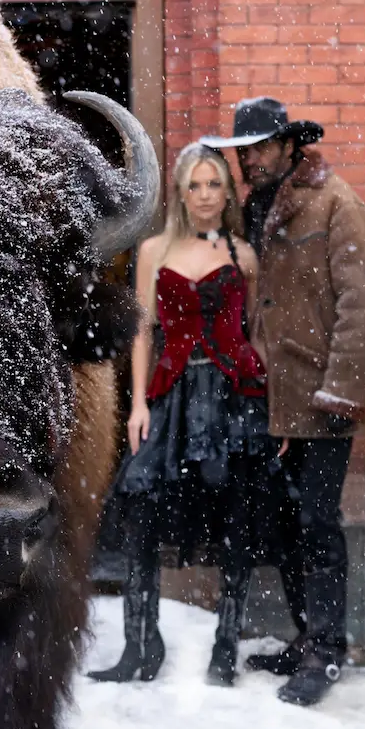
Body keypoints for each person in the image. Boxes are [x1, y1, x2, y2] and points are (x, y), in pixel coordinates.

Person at [202, 97, 365, 708]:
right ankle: (308, 637)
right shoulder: (258, 205)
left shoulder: (338, 203)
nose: (249, 159)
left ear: (288, 145)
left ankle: (329, 651)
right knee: (282, 525)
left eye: (258, 147)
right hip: (269, 397)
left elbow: (362, 306)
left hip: (321, 397)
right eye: (243, 150)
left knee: (317, 523)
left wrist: (342, 391)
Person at [88, 144, 283, 687]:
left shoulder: (244, 253)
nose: (204, 196)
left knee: (236, 521)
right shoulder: (154, 250)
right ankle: (140, 648)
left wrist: (275, 409)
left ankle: (225, 650)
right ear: (180, 191)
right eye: (194, 185)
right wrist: (136, 405)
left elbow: (255, 336)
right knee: (143, 515)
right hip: (171, 394)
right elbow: (143, 332)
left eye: (214, 185)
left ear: (227, 193)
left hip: (232, 393)